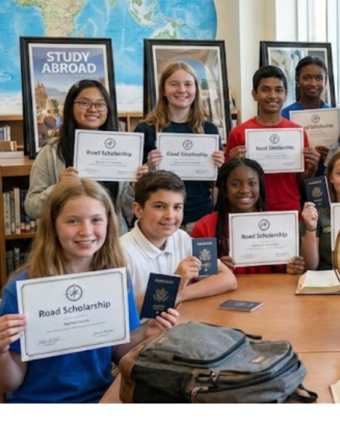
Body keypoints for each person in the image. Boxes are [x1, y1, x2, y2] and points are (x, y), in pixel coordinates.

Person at [0, 178, 179, 403]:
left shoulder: (114, 280)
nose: (86, 231)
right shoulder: (22, 290)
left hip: (102, 396)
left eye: (96, 220)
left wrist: (146, 333)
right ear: (53, 225)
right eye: (72, 221)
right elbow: (7, 383)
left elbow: (120, 351)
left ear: (108, 223)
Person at [24, 80, 144, 234]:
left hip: (113, 243)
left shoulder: (121, 150)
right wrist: (58, 189)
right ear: (70, 107)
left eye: (100, 104)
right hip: (69, 242)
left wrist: (135, 188)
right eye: (84, 103)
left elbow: (126, 210)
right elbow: (31, 208)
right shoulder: (51, 152)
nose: (93, 109)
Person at [120, 170, 236, 305]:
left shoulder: (181, 237)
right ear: (138, 210)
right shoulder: (121, 253)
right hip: (144, 326)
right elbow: (120, 312)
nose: (170, 215)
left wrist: (178, 295)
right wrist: (174, 282)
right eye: (160, 206)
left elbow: (228, 279)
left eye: (177, 207)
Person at [135, 62, 225, 232]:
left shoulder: (208, 130)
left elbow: (213, 185)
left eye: (188, 84)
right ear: (163, 90)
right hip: (159, 219)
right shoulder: (145, 129)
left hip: (199, 216)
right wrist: (149, 168)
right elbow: (134, 185)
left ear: (196, 89)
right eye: (174, 84)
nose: (181, 90)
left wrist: (218, 168)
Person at [225, 66, 319, 212]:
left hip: (289, 208)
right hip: (250, 210)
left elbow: (300, 181)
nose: (272, 95)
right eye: (265, 89)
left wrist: (312, 167)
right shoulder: (239, 133)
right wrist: (230, 163)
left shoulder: (297, 132)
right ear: (254, 94)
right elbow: (227, 181)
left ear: (286, 94)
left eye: (279, 90)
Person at [191, 157, 305, 275]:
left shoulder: (276, 224)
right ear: (224, 189)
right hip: (224, 292)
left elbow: (284, 270)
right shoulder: (204, 227)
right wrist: (215, 269)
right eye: (235, 184)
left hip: (268, 291)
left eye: (252, 183)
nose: (245, 190)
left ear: (260, 187)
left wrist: (292, 268)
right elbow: (196, 275)